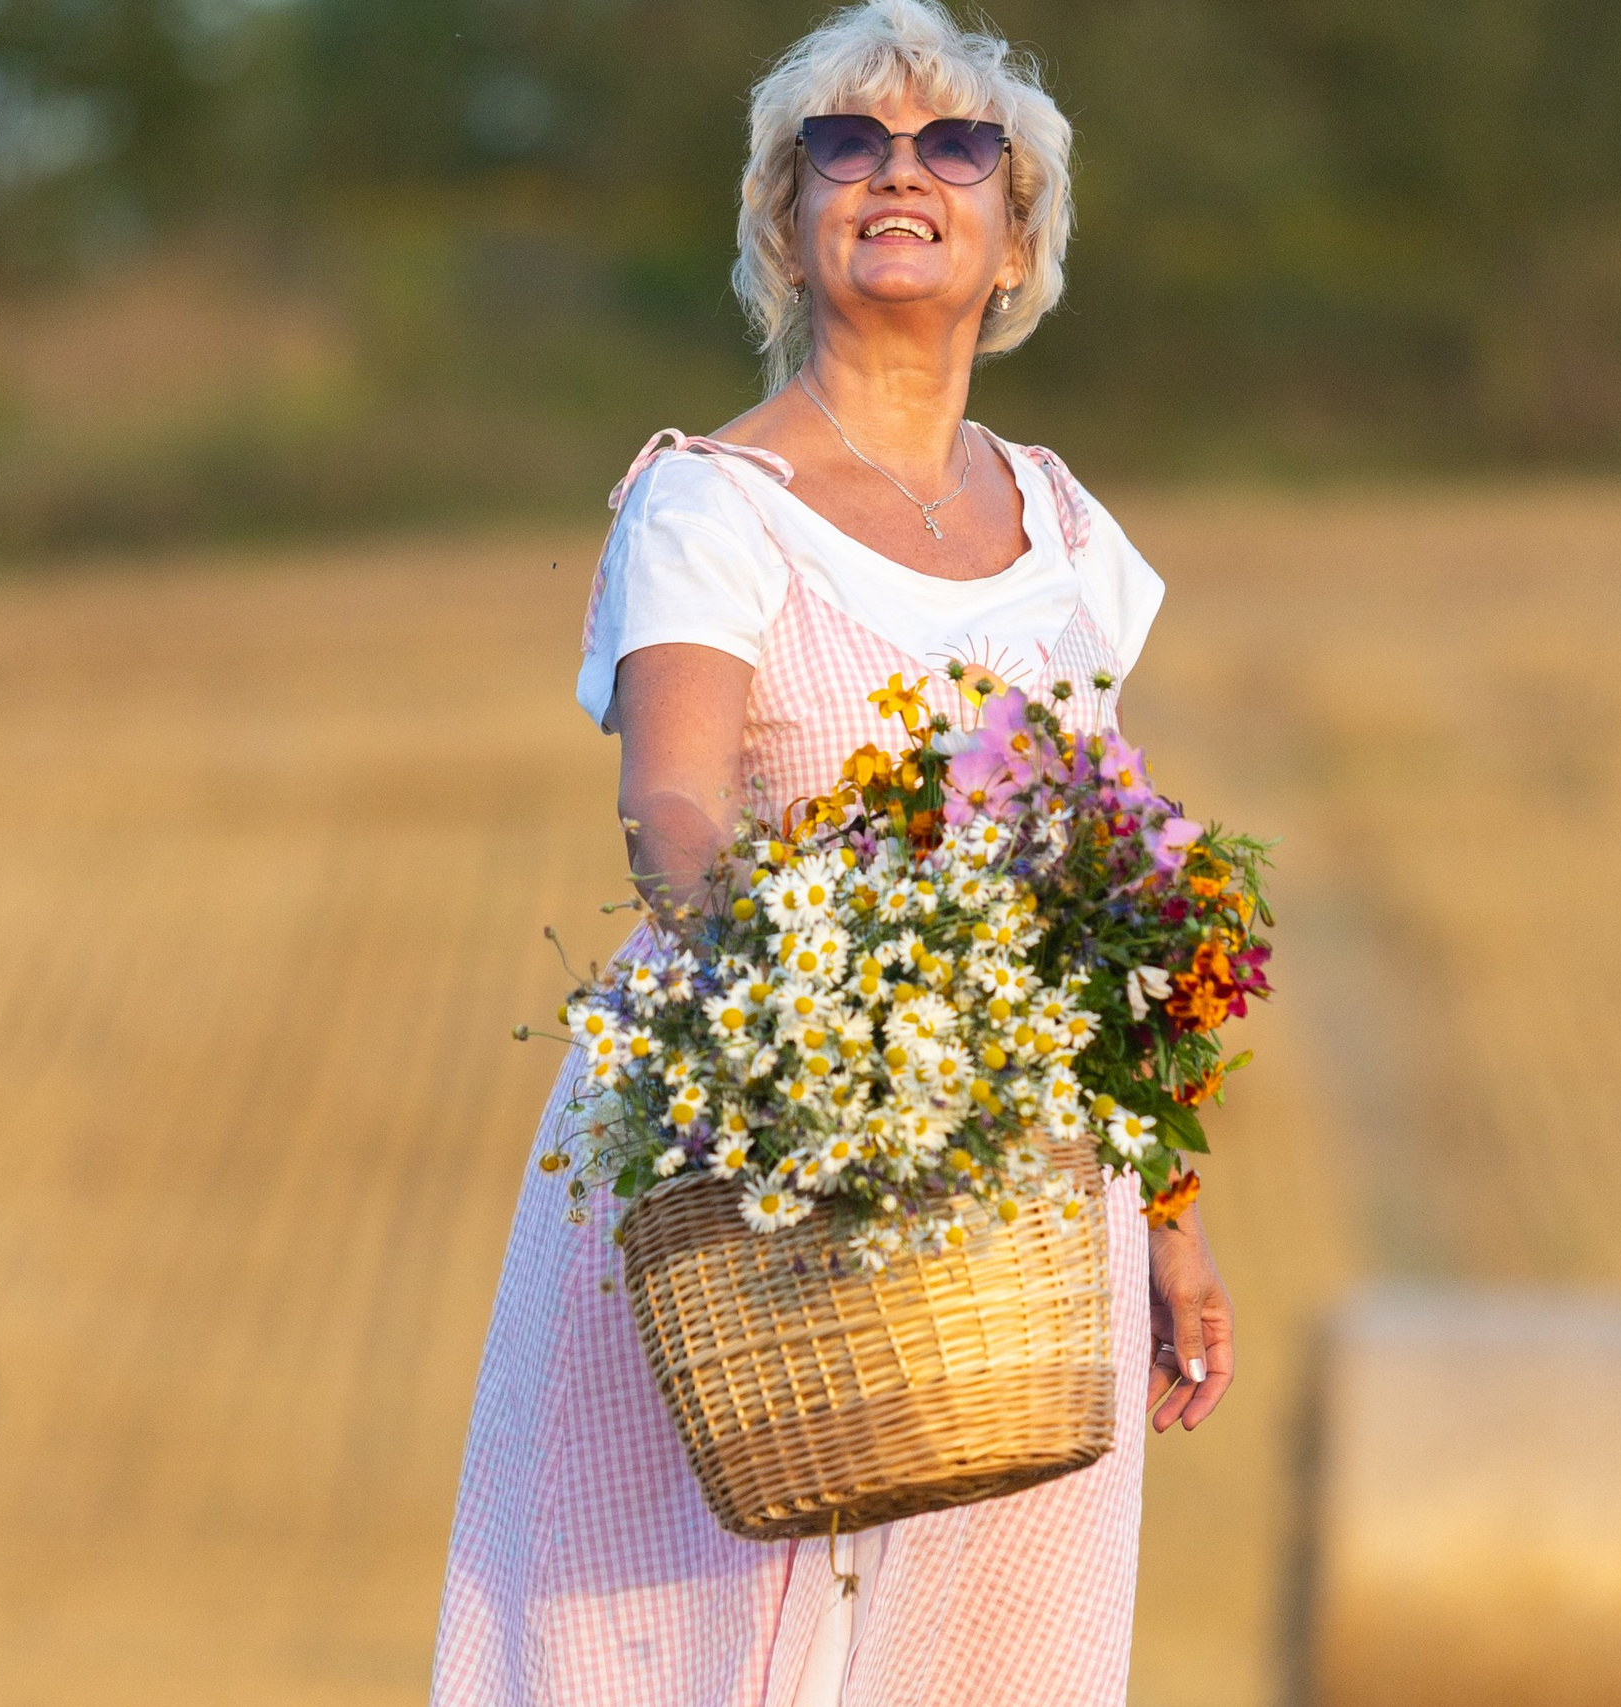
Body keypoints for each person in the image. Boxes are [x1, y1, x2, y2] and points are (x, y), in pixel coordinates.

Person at [431, 4, 1233, 1702]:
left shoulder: (1071, 535)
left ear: (1017, 232)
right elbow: (674, 808)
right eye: (845, 146)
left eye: (956, 147)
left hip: (1018, 1199)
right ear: (784, 227)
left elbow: (1104, 902)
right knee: (686, 1641)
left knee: (985, 1652)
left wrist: (1165, 1206)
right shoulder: (709, 505)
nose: (899, 174)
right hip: (751, 1144)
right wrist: (814, 1037)